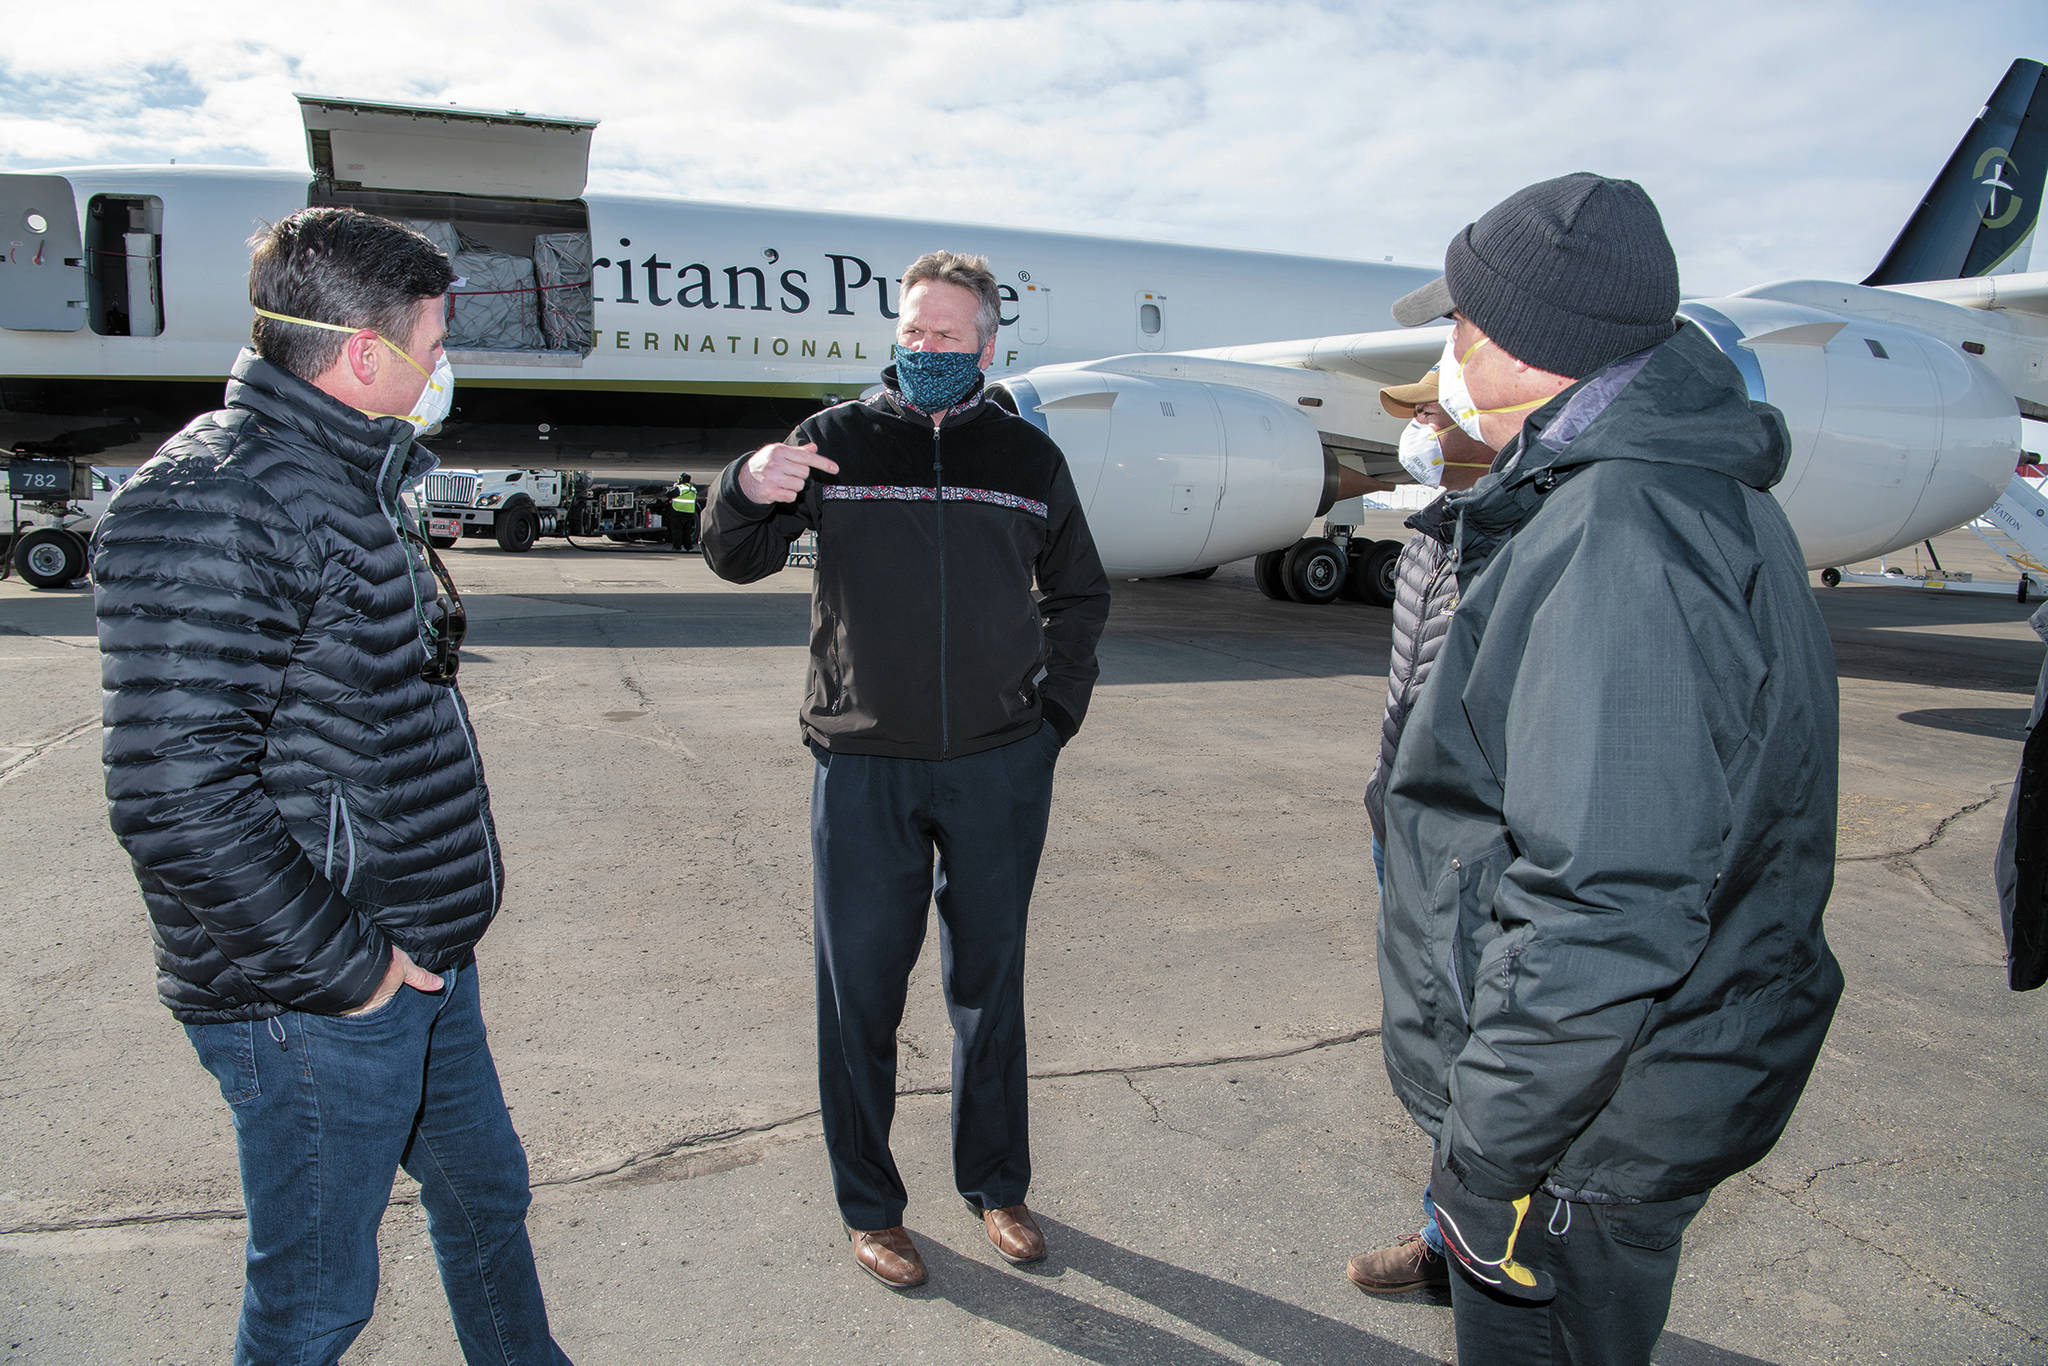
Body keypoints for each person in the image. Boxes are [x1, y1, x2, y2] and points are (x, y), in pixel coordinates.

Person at [1373, 173, 1844, 1364]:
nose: (1446, 353)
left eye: (1459, 327)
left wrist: (1488, 1155)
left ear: (1524, 347)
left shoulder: (1618, 531)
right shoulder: (1656, 488)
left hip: (1585, 1122)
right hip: (1608, 1088)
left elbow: (1607, 895)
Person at [91, 207, 570, 1366]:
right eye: (436, 343)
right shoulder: (220, 494)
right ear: (367, 355)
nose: (443, 366)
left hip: (418, 958)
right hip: (315, 991)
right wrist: (353, 974)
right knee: (314, 1302)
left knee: (484, 1201)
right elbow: (172, 790)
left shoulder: (345, 472)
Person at [700, 250, 1111, 1290]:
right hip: (861, 762)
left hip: (995, 767)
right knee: (858, 996)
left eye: (946, 334)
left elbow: (1079, 595)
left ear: (986, 344)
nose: (925, 349)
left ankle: (995, 1184)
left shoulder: (1026, 457)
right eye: (912, 331)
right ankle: (870, 1207)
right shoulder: (832, 440)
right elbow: (733, 553)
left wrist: (1048, 717)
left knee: (989, 988)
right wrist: (745, 487)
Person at [1346, 366, 1496, 1297]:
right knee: (1443, 1044)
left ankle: (1484, 1251)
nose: (1422, 430)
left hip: (1477, 850)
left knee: (1494, 1057)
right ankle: (1453, 1235)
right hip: (1406, 826)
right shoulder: (1429, 541)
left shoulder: (1519, 545)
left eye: (1437, 411)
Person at [669, 473, 699, 549]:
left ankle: (677, 547)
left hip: (679, 511)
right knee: (687, 531)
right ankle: (688, 547)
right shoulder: (693, 489)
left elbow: (669, 494)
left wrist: (673, 487)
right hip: (689, 513)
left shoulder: (680, 488)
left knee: (677, 530)